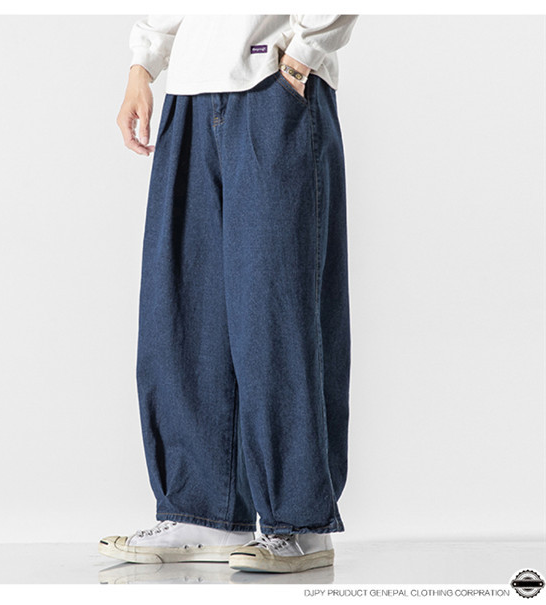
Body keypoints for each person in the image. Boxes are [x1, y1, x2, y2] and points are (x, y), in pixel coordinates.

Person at [99, 14, 358, 574]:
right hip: (190, 92)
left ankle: (301, 523)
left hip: (273, 86)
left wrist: (303, 56)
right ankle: (202, 512)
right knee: (185, 308)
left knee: (276, 310)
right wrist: (144, 64)